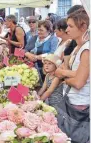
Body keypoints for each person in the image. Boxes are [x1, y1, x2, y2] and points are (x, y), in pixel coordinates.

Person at [54, 9, 89, 143]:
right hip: (71, 99)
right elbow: (63, 67)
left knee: (76, 138)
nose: (67, 29)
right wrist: (69, 74)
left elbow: (79, 82)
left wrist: (65, 77)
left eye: (70, 26)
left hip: (80, 103)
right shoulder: (77, 48)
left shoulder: (86, 50)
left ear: (83, 27)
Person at [24, 20, 58, 84]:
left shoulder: (53, 39)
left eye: (41, 30)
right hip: (31, 68)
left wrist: (37, 57)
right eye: (38, 30)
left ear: (48, 30)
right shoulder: (34, 38)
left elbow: (53, 53)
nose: (39, 32)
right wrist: (28, 54)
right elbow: (25, 49)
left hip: (45, 70)